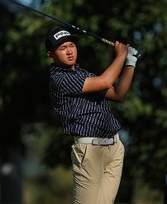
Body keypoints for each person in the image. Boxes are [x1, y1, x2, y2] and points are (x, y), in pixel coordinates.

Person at [45, 27, 139, 204]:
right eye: (62, 48)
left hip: (114, 148)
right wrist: (120, 55)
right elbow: (106, 81)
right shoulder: (59, 79)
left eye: (71, 45)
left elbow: (119, 94)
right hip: (90, 151)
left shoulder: (84, 74)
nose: (69, 51)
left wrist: (130, 62)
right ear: (51, 55)